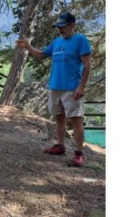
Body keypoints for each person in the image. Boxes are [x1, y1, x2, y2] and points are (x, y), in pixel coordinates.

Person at [15, 12, 91, 167]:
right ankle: (60, 146)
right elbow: (42, 55)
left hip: (72, 88)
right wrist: (28, 46)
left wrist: (81, 86)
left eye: (63, 26)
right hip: (55, 87)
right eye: (58, 27)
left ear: (72, 25)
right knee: (59, 118)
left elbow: (87, 65)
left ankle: (79, 154)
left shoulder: (80, 40)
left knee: (76, 120)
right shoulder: (56, 42)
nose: (60, 29)